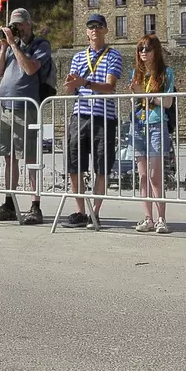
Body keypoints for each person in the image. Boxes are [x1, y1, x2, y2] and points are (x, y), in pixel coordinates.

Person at [0, 8, 53, 225]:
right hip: (5, 107)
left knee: (31, 157)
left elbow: (30, 69)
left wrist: (14, 45)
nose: (17, 28)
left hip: (26, 107)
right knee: (8, 157)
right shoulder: (10, 47)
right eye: (13, 25)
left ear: (29, 24)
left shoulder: (40, 45)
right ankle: (9, 203)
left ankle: (35, 205)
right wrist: (4, 46)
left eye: (20, 24)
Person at [61, 14, 123, 229]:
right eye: (91, 27)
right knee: (74, 164)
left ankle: (95, 212)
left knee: (101, 166)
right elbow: (71, 89)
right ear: (86, 32)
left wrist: (85, 82)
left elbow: (110, 87)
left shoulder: (114, 55)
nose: (94, 29)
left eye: (98, 26)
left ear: (105, 30)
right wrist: (71, 86)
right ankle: (80, 211)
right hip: (80, 115)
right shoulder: (78, 57)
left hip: (103, 116)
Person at [128, 35, 175, 234]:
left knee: (155, 175)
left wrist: (144, 94)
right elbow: (135, 101)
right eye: (140, 49)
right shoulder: (136, 74)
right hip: (138, 124)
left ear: (156, 51)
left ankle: (161, 218)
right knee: (143, 175)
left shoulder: (166, 73)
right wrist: (135, 94)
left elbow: (167, 102)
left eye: (147, 49)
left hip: (156, 124)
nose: (143, 53)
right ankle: (148, 217)